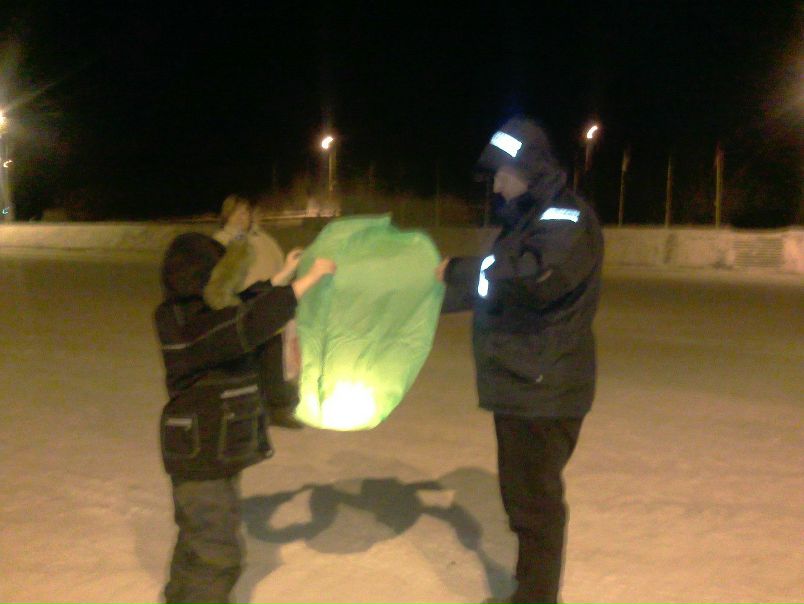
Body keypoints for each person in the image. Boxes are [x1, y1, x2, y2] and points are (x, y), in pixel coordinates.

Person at [437, 116, 604, 604]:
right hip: (522, 383)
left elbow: (533, 280)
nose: (496, 186)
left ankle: (535, 598)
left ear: (528, 169)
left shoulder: (565, 218)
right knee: (524, 501)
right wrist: (425, 300)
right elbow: (494, 290)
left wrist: (460, 270)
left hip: (543, 387)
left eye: (502, 175)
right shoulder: (525, 225)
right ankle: (530, 592)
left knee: (535, 505)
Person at [155, 231, 335, 604]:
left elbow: (241, 306)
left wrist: (280, 277)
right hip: (200, 458)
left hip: (208, 453)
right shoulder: (188, 325)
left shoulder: (200, 313)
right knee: (217, 553)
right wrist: (308, 280)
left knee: (198, 540)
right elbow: (247, 323)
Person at [214, 195, 305, 429]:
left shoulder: (264, 240)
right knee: (244, 365)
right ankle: (243, 411)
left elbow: (281, 270)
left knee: (274, 362)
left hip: (269, 307)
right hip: (240, 311)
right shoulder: (219, 242)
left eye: (246, 212)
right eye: (237, 212)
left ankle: (278, 409)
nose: (242, 217)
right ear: (227, 215)